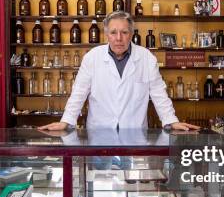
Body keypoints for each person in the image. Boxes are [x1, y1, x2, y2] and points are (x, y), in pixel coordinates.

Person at [39, 11, 200, 131]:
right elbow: (78, 93)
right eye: (113, 32)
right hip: (99, 135)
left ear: (131, 34)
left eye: (124, 32)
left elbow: (159, 94)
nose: (119, 38)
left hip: (134, 135)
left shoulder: (146, 58)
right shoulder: (92, 57)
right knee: (99, 176)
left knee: (134, 177)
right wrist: (66, 121)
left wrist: (171, 120)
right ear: (106, 34)